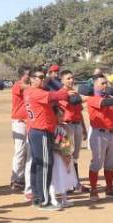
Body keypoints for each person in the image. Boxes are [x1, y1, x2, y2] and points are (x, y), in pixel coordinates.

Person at [24, 67, 72, 210]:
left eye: (43, 77)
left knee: (37, 164)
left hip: (36, 130)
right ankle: (44, 201)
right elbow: (55, 96)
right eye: (39, 77)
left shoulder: (30, 91)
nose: (43, 79)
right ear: (32, 79)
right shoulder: (35, 92)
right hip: (41, 131)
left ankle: (37, 197)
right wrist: (65, 89)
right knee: (45, 165)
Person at [84, 74, 113, 199]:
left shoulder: (110, 98)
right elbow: (104, 103)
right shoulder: (92, 98)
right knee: (97, 163)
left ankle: (109, 188)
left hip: (112, 133)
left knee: (110, 163)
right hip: (99, 133)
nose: (105, 85)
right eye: (102, 83)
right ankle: (93, 189)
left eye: (106, 83)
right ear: (94, 85)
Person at [57, 70, 86, 190]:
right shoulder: (61, 94)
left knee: (75, 155)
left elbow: (79, 112)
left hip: (77, 125)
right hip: (67, 125)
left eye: (72, 78)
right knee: (67, 153)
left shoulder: (75, 93)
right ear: (62, 80)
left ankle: (75, 182)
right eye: (68, 78)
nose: (71, 80)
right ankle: (68, 184)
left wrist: (84, 128)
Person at [9, 65, 31, 191]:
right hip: (19, 122)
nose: (30, 76)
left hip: (30, 122)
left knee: (28, 151)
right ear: (22, 75)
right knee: (20, 150)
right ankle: (16, 179)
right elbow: (26, 87)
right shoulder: (18, 85)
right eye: (28, 74)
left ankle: (24, 178)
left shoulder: (30, 86)